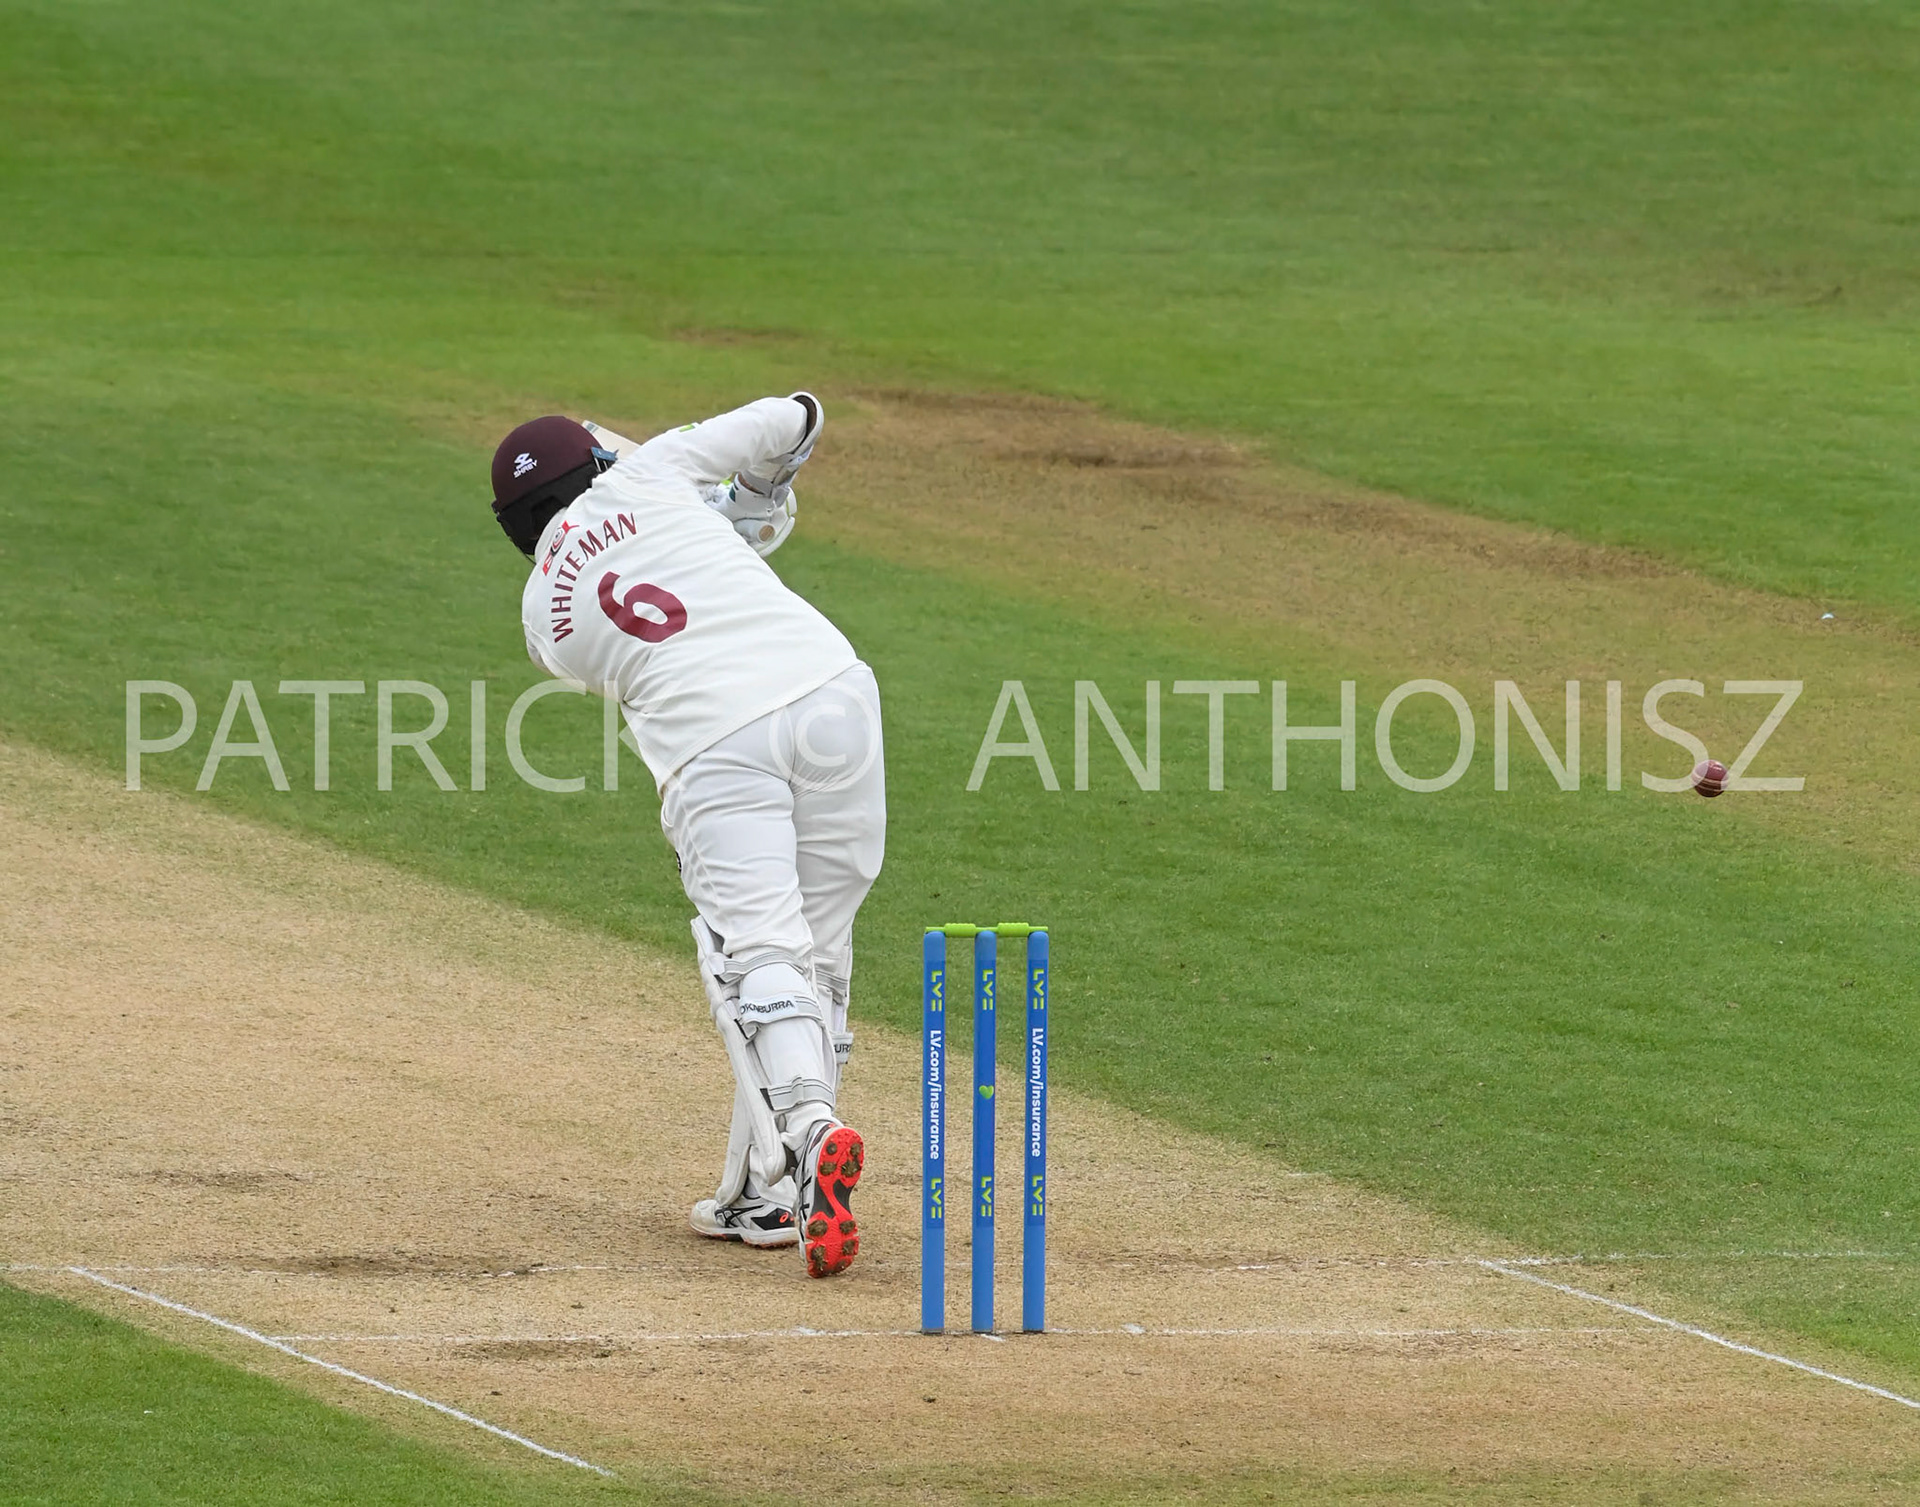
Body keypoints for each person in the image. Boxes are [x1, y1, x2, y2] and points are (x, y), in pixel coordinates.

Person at [488, 393, 884, 1278]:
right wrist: (752, 497)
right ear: (596, 465)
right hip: (833, 691)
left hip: (714, 742)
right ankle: (768, 1192)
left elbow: (645, 582)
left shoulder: (542, 623)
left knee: (756, 955)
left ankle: (813, 1133)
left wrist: (727, 522)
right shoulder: (658, 470)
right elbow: (797, 414)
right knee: (816, 951)